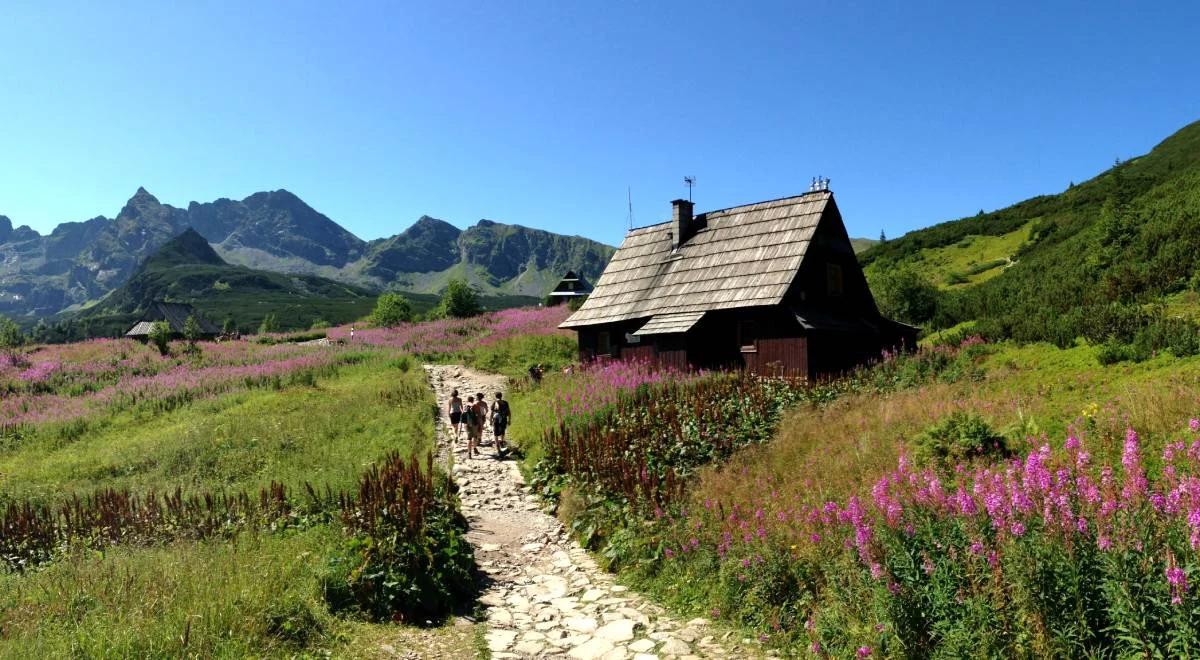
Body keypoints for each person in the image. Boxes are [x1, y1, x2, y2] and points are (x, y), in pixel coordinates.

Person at [491, 391, 511, 457]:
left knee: (496, 433)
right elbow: (509, 412)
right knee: (503, 430)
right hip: (504, 418)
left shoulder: (495, 403)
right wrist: (509, 420)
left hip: (496, 419)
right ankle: (502, 441)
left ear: (495, 396)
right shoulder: (505, 402)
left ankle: (498, 448)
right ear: (501, 396)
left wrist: (491, 420)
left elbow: (492, 412)